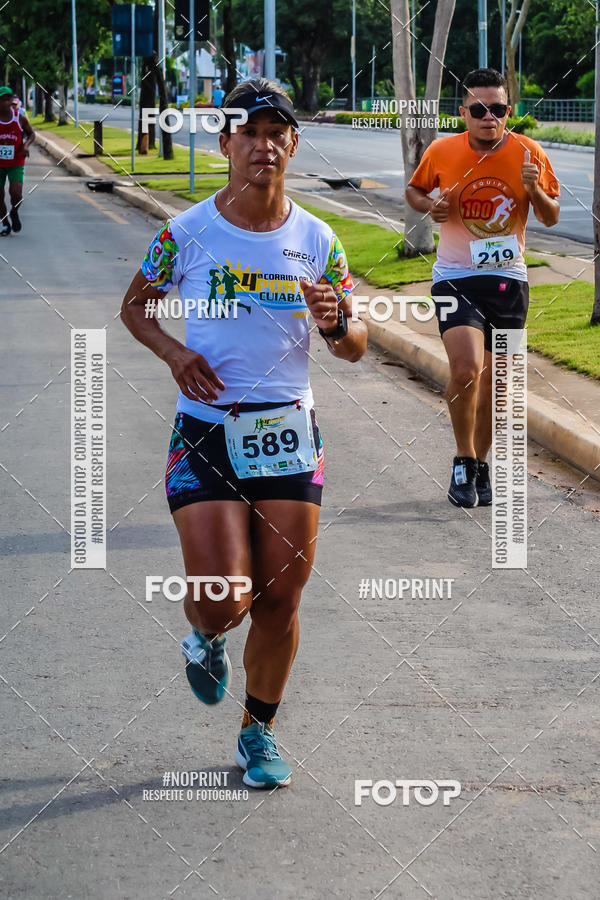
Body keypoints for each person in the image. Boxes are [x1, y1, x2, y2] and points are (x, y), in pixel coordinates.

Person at [121, 78, 367, 787]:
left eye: (276, 132)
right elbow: (136, 307)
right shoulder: (188, 230)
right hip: (206, 433)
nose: (264, 145)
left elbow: (355, 344)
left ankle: (256, 732)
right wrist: (174, 352)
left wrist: (337, 323)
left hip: (289, 431)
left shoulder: (318, 239)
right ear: (225, 143)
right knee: (228, 596)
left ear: (292, 142)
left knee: (283, 598)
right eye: (249, 133)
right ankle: (204, 634)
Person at [405, 68, 560, 507]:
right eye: (478, 109)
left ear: (508, 111)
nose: (488, 117)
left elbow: (549, 216)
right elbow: (414, 190)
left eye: (497, 109)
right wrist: (430, 204)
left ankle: (480, 463)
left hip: (508, 279)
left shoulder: (529, 153)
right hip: (455, 275)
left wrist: (536, 190)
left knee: (498, 381)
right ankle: (462, 458)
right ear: (464, 113)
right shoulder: (442, 150)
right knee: (466, 368)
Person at [0, 86, 35, 236]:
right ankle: (5, 223)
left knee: (16, 194)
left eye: (9, 99)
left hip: (16, 162)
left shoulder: (19, 117)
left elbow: (31, 134)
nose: (7, 102)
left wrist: (26, 145)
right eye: (3, 99)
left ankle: (14, 211)